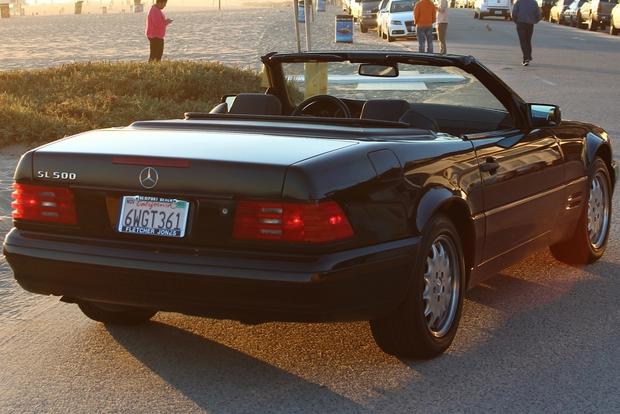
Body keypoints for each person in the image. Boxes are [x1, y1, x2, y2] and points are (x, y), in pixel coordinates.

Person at [511, 0, 541, 66]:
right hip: (530, 24)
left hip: (520, 23)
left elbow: (514, 14)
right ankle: (528, 57)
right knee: (528, 41)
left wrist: (516, 22)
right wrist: (534, 21)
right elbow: (538, 14)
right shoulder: (534, 2)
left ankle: (526, 58)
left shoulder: (518, 2)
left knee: (523, 41)